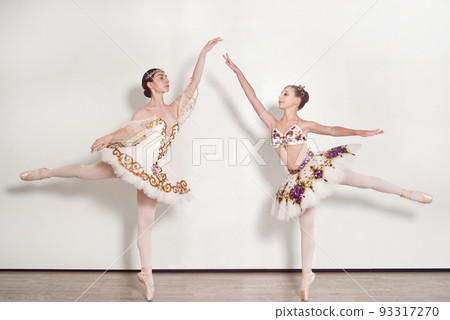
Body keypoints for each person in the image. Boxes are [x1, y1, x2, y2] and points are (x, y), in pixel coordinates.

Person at [19, 37, 222, 301]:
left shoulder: (175, 108)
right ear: (150, 84)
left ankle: (146, 273)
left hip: (156, 169)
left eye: (167, 77)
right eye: (161, 77)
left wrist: (204, 53)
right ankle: (48, 172)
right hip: (136, 160)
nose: (166, 80)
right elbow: (128, 131)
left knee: (144, 221)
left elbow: (193, 84)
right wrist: (107, 137)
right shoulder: (143, 113)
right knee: (86, 171)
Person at [222, 53, 432, 301]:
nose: (280, 96)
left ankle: (406, 192)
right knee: (307, 228)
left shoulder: (304, 125)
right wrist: (237, 71)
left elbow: (332, 130)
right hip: (297, 180)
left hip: (316, 168)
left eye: (286, 94)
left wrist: (358, 131)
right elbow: (252, 97)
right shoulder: (271, 123)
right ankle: (307, 274)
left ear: (297, 101)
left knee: (363, 182)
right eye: (281, 93)